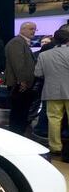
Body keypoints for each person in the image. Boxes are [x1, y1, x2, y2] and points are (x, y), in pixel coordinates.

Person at [34, 29, 69, 160]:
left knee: (54, 120)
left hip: (52, 91)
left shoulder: (45, 55)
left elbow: (38, 73)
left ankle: (55, 147)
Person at [5, 22, 37, 134]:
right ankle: (16, 135)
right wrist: (22, 80)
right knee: (18, 113)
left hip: (22, 84)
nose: (33, 31)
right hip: (19, 85)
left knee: (21, 113)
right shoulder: (17, 42)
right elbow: (18, 63)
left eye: (34, 29)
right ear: (22, 29)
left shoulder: (21, 42)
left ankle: (19, 134)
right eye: (31, 29)